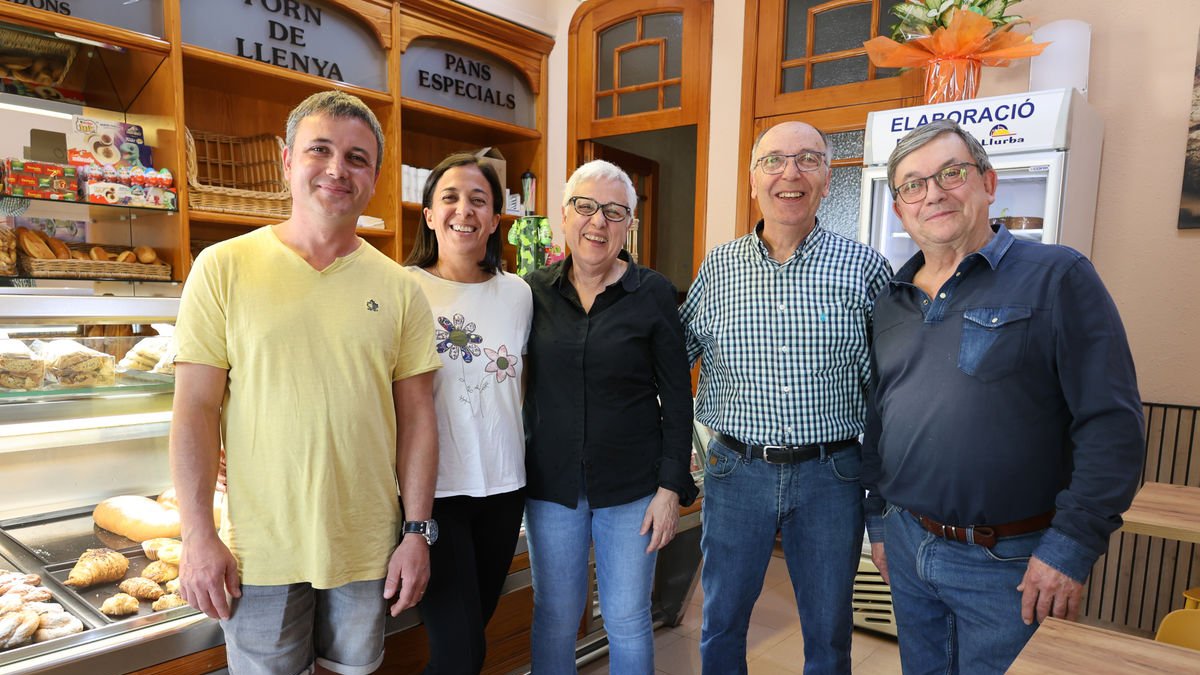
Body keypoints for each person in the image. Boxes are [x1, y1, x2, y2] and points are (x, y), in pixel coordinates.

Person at [170, 90, 441, 675]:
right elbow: (194, 407)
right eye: (320, 150)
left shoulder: (400, 289)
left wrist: (417, 532)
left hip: (367, 547)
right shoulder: (222, 268)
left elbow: (418, 419)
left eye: (358, 158)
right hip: (257, 551)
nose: (337, 169)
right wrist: (197, 535)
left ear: (374, 179)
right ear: (288, 162)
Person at [862, 119, 1144, 674]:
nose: (934, 193)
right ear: (900, 210)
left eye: (952, 173)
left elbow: (1111, 425)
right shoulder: (890, 300)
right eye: (913, 185)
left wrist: (1069, 548)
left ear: (988, 184)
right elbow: (880, 418)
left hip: (1010, 563)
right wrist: (878, 522)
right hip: (908, 542)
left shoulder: (1058, 277)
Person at [681, 121, 892, 674]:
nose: (789, 174)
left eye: (807, 160)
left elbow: (890, 391)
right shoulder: (719, 268)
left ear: (827, 177)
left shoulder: (865, 269)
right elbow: (668, 360)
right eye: (773, 161)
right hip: (735, 472)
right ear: (753, 180)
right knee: (722, 620)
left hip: (833, 476)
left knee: (828, 629)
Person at [523, 159, 698, 673]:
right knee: (554, 616)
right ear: (564, 213)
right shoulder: (531, 292)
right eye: (586, 207)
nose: (598, 222)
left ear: (628, 225)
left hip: (632, 490)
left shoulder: (653, 293)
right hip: (551, 486)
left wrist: (671, 488)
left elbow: (677, 395)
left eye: (615, 212)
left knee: (626, 619)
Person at [404, 153, 532, 674]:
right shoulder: (402, 288)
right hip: (435, 495)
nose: (464, 210)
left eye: (479, 200)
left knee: (470, 637)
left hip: (504, 490)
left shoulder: (519, 294)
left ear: (496, 219)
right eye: (450, 198)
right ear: (430, 215)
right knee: (462, 653)